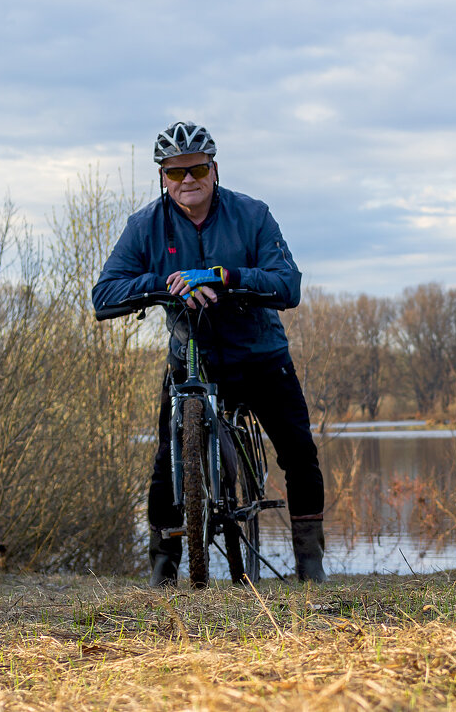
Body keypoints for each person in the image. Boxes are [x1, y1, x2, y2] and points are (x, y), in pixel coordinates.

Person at [92, 120, 326, 585]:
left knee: (299, 453)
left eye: (197, 168)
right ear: (163, 177)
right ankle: (165, 570)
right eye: (175, 172)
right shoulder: (145, 226)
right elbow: (105, 294)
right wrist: (163, 284)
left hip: (259, 354)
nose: (187, 180)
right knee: (165, 463)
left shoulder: (253, 215)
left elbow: (288, 284)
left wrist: (227, 276)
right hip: (191, 359)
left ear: (214, 169)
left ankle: (310, 566)